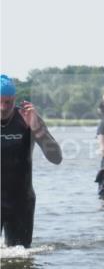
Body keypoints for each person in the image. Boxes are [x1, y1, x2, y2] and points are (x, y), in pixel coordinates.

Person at [1, 75, 62, 248]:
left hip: (21, 202)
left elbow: (56, 158)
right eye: (0, 102)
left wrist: (37, 129)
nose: (3, 107)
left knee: (21, 256)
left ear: (15, 99)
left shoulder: (27, 118)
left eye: (8, 102)